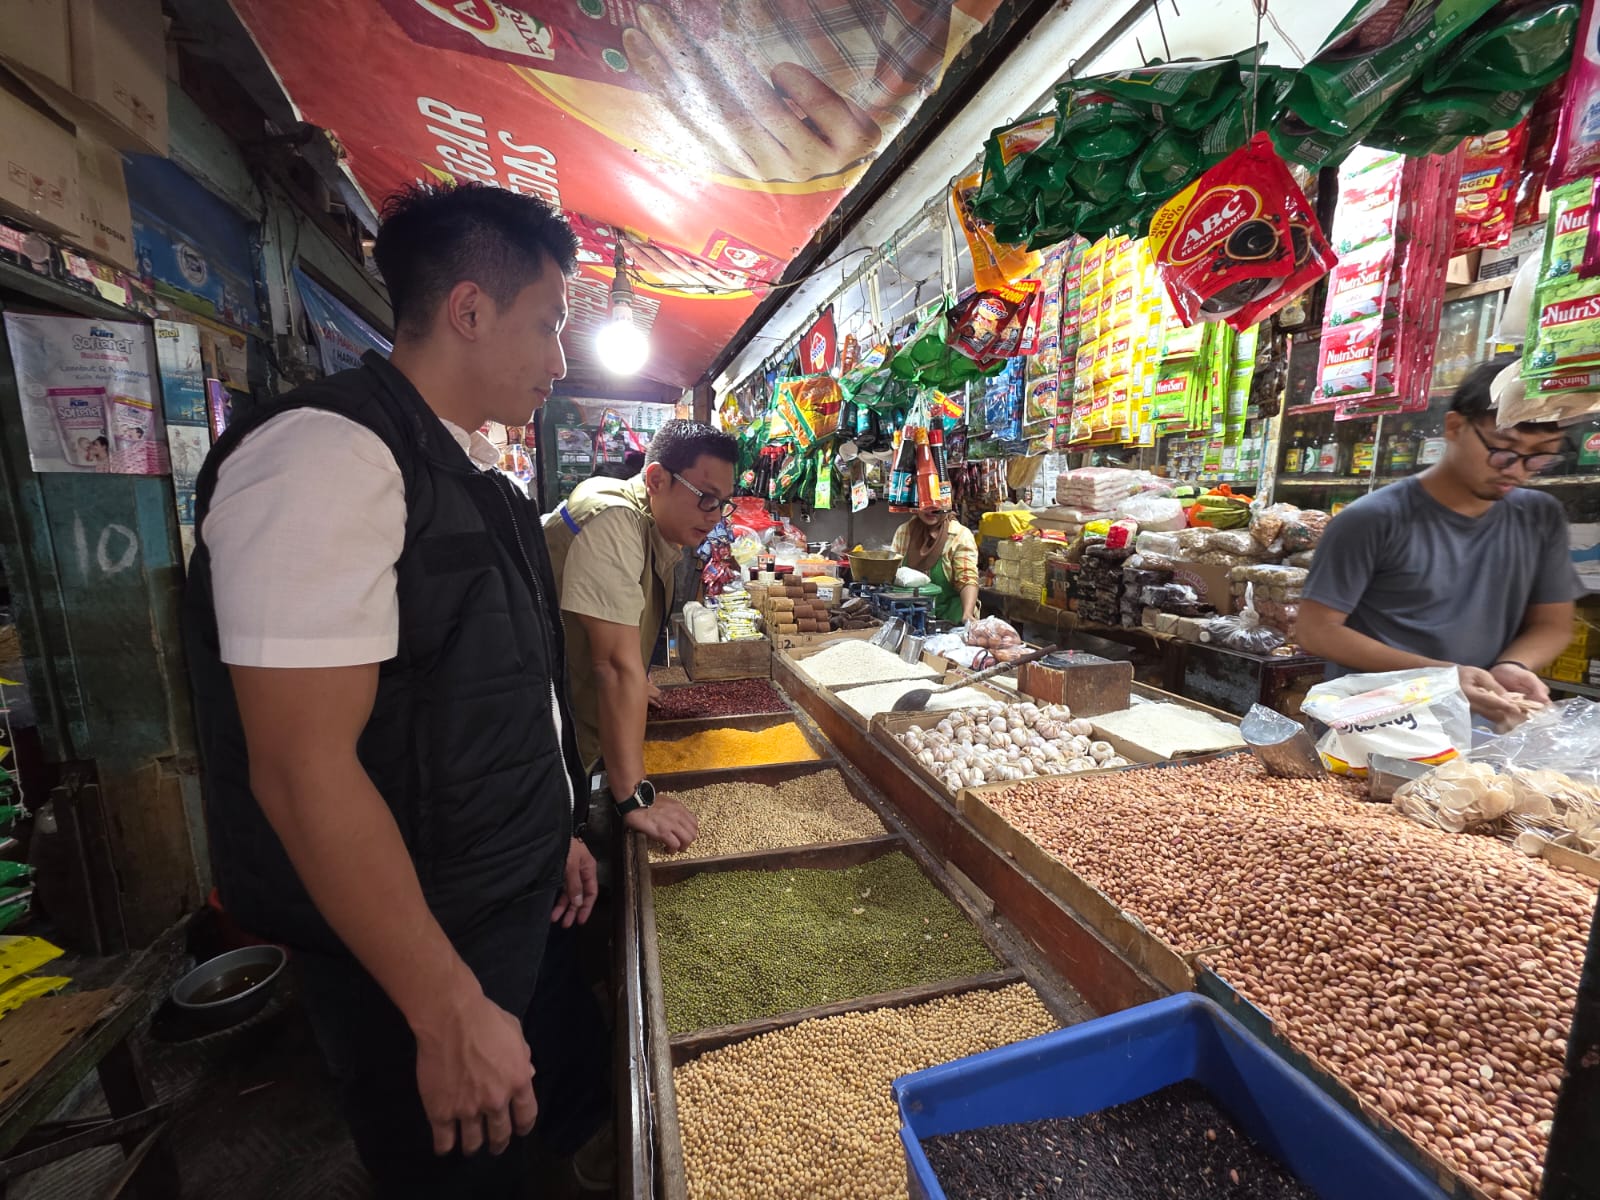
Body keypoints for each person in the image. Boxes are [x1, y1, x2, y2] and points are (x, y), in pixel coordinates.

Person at [182, 182, 602, 1198]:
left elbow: (488, 690)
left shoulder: (477, 480)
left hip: (509, 915)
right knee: (460, 1178)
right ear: (468, 309)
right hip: (417, 959)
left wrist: (555, 828)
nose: (559, 360)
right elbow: (300, 769)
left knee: (554, 1144)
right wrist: (445, 1008)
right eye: (546, 324)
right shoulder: (324, 459)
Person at [1298, 357, 1583, 725]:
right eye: (1503, 448)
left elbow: (1554, 623)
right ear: (1454, 427)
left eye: (1540, 456)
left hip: (1479, 731)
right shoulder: (1372, 518)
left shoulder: (1540, 516)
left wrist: (1512, 665)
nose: (1516, 468)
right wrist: (1442, 677)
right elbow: (1316, 631)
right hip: (1372, 730)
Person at [544, 420, 739, 852]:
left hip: (572, 730)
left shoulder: (653, 527)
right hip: (544, 743)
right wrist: (635, 797)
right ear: (656, 479)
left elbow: (619, 629)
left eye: (724, 504)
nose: (714, 516)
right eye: (706, 497)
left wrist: (637, 678)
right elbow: (613, 666)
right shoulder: (613, 518)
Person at [891, 502, 980, 624]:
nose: (931, 510)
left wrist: (968, 614)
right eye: (925, 503)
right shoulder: (904, 532)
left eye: (938, 503)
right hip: (911, 618)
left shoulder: (960, 535)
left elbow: (967, 578)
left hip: (950, 621)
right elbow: (892, 573)